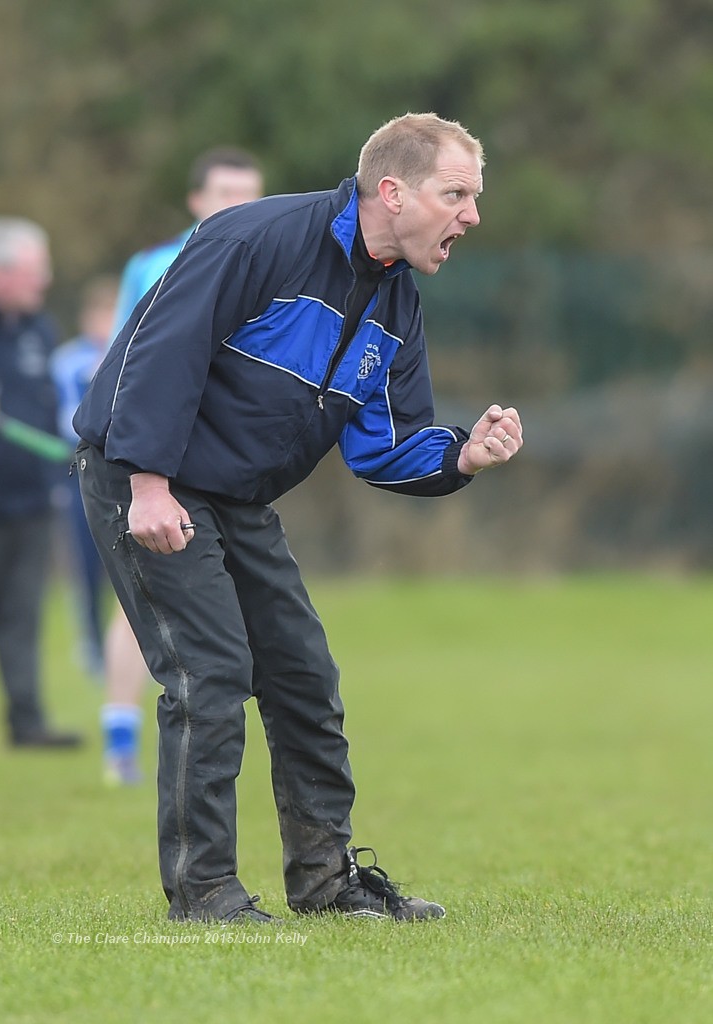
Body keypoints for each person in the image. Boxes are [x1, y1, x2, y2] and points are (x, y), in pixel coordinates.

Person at [73, 113, 523, 923]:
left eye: (473, 198)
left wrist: (462, 457)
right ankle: (204, 894)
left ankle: (326, 885)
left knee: (304, 681)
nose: (472, 216)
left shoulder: (395, 302)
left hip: (237, 500)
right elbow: (158, 352)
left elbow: (382, 445)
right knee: (207, 676)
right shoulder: (256, 238)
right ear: (392, 191)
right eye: (456, 194)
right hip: (145, 479)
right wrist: (147, 483)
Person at [97, 146, 265, 786]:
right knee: (139, 601)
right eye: (225, 192)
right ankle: (120, 735)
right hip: (159, 464)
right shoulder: (156, 266)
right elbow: (126, 363)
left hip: (224, 468)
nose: (238, 206)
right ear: (196, 200)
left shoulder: (268, 265)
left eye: (250, 193)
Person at [0, 217, 83, 748]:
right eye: (35, 270)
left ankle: (26, 724)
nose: (44, 280)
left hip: (29, 502)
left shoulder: (39, 328)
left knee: (22, 615)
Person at [51, 276, 120, 677]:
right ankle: (92, 646)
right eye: (99, 314)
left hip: (123, 473)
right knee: (86, 564)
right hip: (76, 475)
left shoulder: (126, 353)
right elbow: (63, 416)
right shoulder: (67, 361)